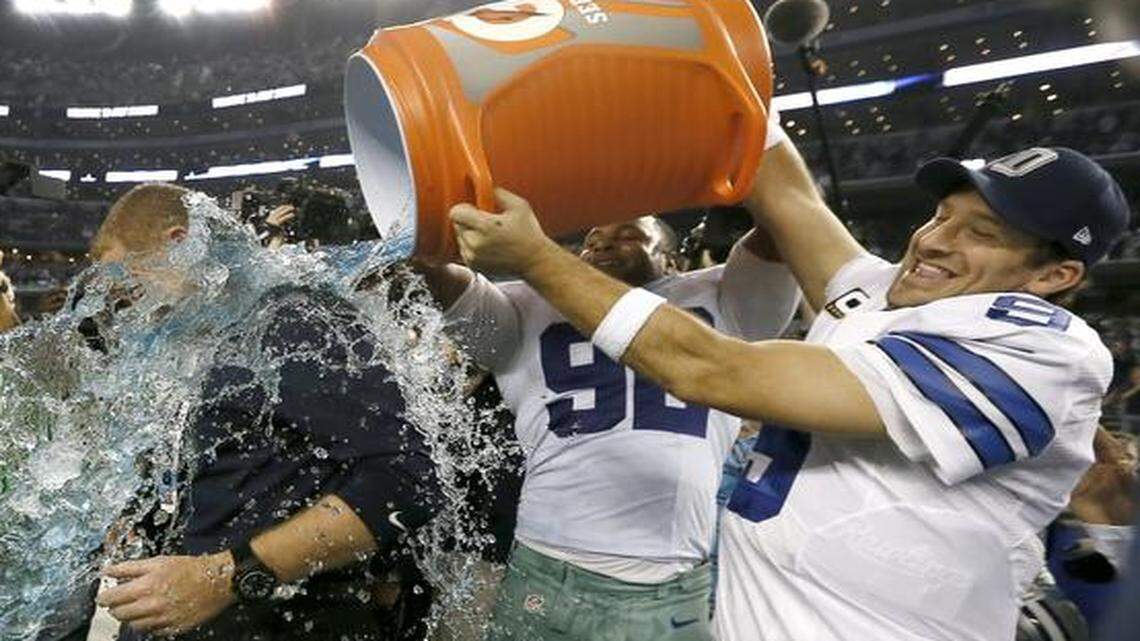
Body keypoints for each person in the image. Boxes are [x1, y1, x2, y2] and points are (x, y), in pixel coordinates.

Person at [444, 109, 1131, 639]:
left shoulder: (1044, 353)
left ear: (1056, 273)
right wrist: (726, 62)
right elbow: (789, 198)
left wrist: (536, 257)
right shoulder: (882, 295)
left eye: (981, 232)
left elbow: (710, 367)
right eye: (941, 214)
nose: (935, 238)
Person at [415, 211, 799, 640]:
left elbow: (783, 223)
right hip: (548, 569)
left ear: (672, 261)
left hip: (672, 582)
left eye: (629, 234)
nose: (601, 242)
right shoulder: (526, 302)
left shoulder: (724, 298)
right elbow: (436, 269)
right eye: (592, 238)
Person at [86, 183, 441, 640]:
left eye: (132, 287)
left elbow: (406, 480)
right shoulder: (198, 337)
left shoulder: (294, 320)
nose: (130, 310)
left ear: (179, 243)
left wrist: (227, 577)